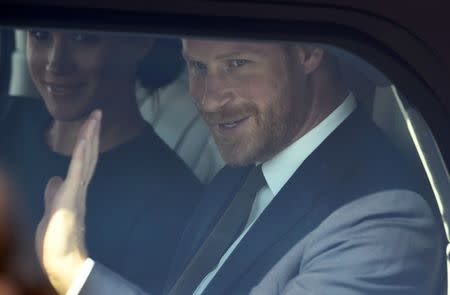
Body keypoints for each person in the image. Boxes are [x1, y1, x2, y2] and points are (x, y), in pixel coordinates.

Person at [35, 39, 445, 294]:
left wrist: (75, 273)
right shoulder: (239, 178)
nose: (209, 99)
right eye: (197, 67)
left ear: (307, 51)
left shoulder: (382, 223)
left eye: (237, 64)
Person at [0, 30, 201, 293]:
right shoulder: (7, 119)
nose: (55, 62)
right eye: (40, 35)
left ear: (139, 41)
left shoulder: (174, 198)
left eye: (83, 38)